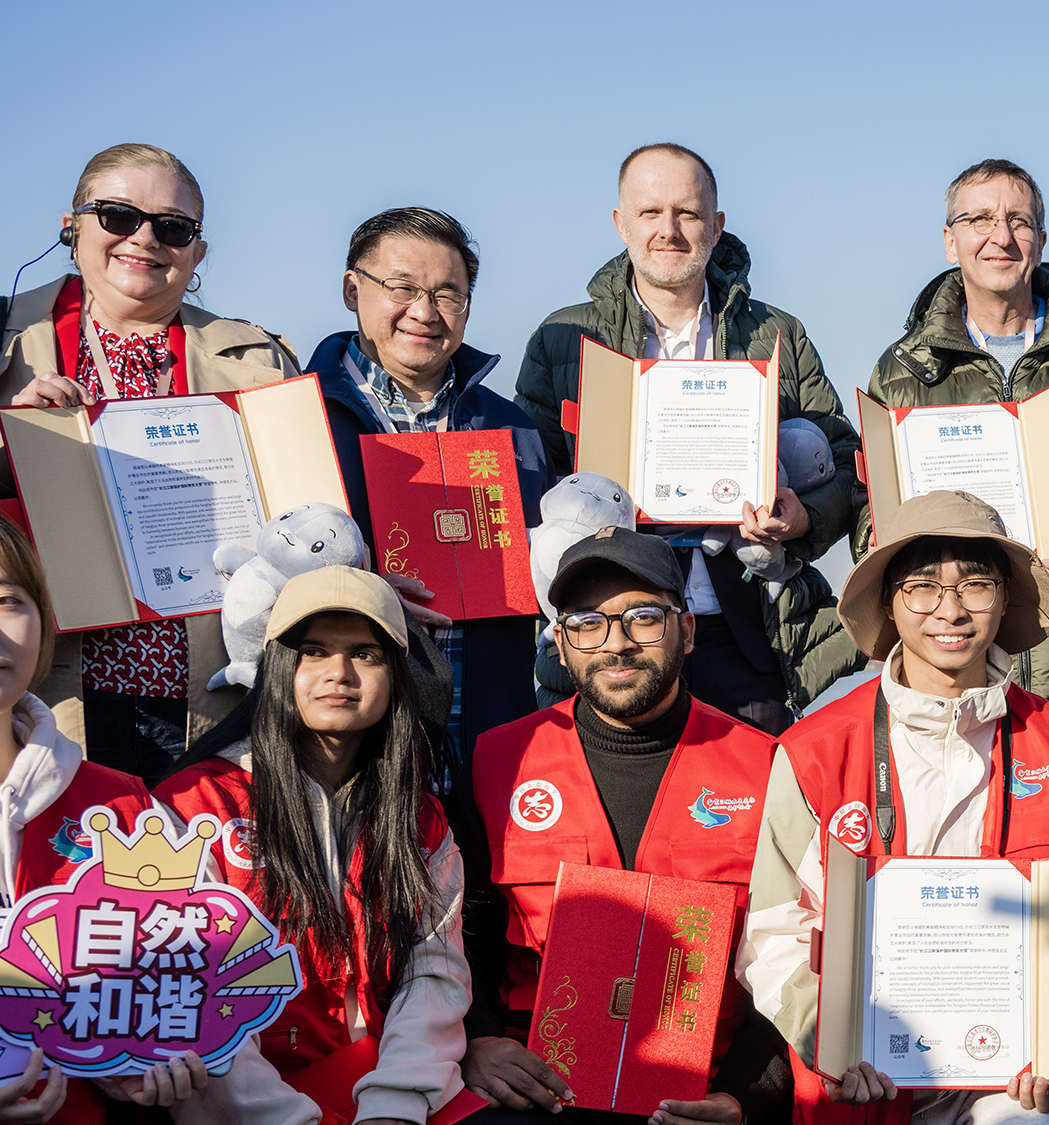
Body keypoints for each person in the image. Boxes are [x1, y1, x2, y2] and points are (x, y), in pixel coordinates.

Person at [0, 521, 403, 1125]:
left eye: (9, 599)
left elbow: (152, 993)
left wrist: (146, 1063)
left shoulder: (113, 803)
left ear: (44, 622)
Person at [430, 527, 824, 1125]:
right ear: (559, 639)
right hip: (547, 1079)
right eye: (586, 620)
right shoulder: (501, 758)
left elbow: (808, 951)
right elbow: (465, 923)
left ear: (687, 627)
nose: (615, 640)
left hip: (697, 1091)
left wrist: (751, 1097)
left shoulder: (769, 764)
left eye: (643, 615)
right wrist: (482, 1035)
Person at [741, 491, 1049, 1125]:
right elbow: (771, 927)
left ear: (1005, 602)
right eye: (922, 585)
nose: (950, 608)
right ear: (888, 604)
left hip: (1003, 1065)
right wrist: (830, 1035)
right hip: (874, 1071)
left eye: (976, 583)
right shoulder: (812, 746)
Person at [149, 566, 460, 1125]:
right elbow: (182, 997)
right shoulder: (194, 808)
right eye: (312, 651)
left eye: (364, 652)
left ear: (398, 675)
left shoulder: (419, 818)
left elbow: (439, 973)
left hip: (349, 1108)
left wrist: (397, 1098)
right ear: (273, 668)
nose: (337, 672)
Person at [513, 143, 861, 730]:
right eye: (650, 213)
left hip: (741, 624)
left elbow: (847, 464)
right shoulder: (562, 340)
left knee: (750, 810)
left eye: (688, 213)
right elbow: (531, 478)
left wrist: (802, 520)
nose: (668, 231)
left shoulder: (775, 334)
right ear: (620, 223)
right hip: (611, 630)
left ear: (717, 225)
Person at [0, 143, 297, 781]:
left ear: (197, 252)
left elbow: (302, 523)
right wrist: (10, 442)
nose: (144, 238)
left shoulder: (258, 360)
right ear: (69, 227)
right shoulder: (10, 347)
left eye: (172, 227)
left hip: (213, 693)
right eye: (117, 216)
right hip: (50, 690)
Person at [869, 158, 1049, 722]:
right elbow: (875, 515)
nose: (1000, 237)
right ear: (950, 242)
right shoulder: (902, 369)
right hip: (950, 659)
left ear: (1042, 240)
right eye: (979, 219)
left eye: (1019, 222)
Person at [307, 208, 549, 764]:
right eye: (402, 288)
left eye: (448, 295)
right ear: (352, 289)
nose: (424, 312)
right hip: (352, 737)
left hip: (489, 728)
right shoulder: (299, 417)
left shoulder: (510, 427)